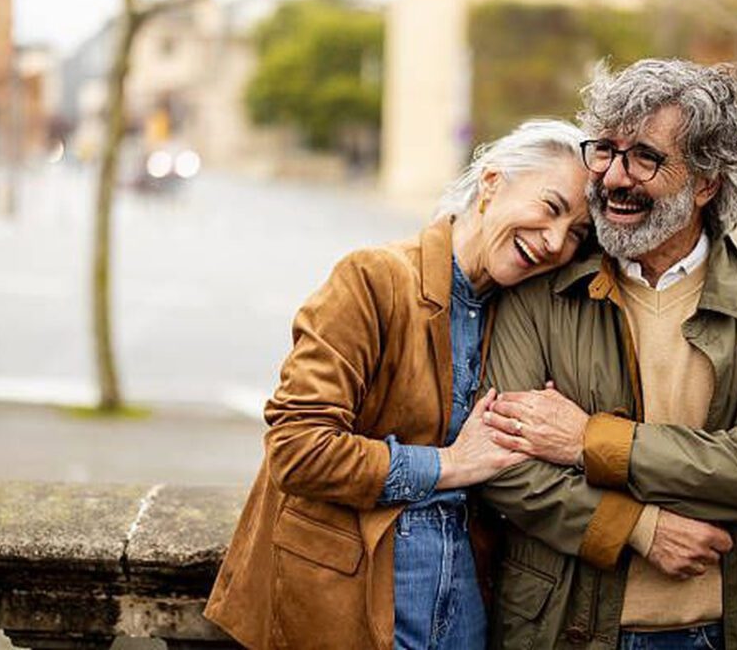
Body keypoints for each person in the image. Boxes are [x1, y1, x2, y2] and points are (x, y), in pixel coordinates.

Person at [203, 119, 594, 649]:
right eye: (551, 207)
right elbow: (296, 449)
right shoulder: (373, 279)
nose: (554, 242)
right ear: (492, 183)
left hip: (462, 614)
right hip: (346, 608)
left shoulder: (520, 313)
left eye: (577, 233)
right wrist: (449, 464)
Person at [475, 59, 737, 649]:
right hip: (564, 629)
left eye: (645, 158)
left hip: (726, 628)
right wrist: (638, 527)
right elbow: (506, 465)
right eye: (605, 150)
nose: (613, 178)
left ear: (706, 182)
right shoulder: (541, 287)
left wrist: (588, 440)